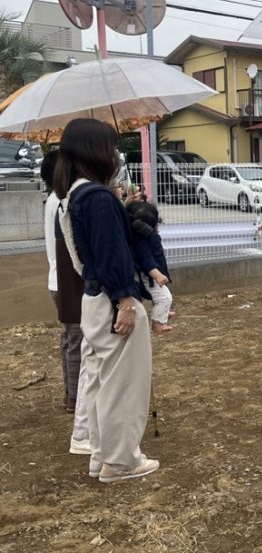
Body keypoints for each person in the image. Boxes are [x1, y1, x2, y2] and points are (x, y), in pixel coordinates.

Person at [54, 118, 158, 482]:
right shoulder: (97, 197)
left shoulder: (75, 194)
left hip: (94, 299)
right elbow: (112, 254)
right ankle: (121, 460)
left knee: (102, 380)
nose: (115, 154)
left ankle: (102, 455)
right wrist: (127, 302)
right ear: (96, 150)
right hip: (114, 299)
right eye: (111, 146)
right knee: (123, 383)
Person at [41, 151, 81, 416]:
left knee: (69, 338)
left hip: (57, 280)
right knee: (76, 339)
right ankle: (75, 398)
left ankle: (70, 395)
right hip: (67, 281)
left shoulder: (53, 199)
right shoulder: (62, 202)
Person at [127, 200, 174, 333]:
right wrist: (157, 275)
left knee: (161, 298)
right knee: (165, 298)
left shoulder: (140, 237)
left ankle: (162, 311)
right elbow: (146, 261)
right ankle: (158, 323)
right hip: (151, 277)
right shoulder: (143, 241)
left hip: (152, 275)